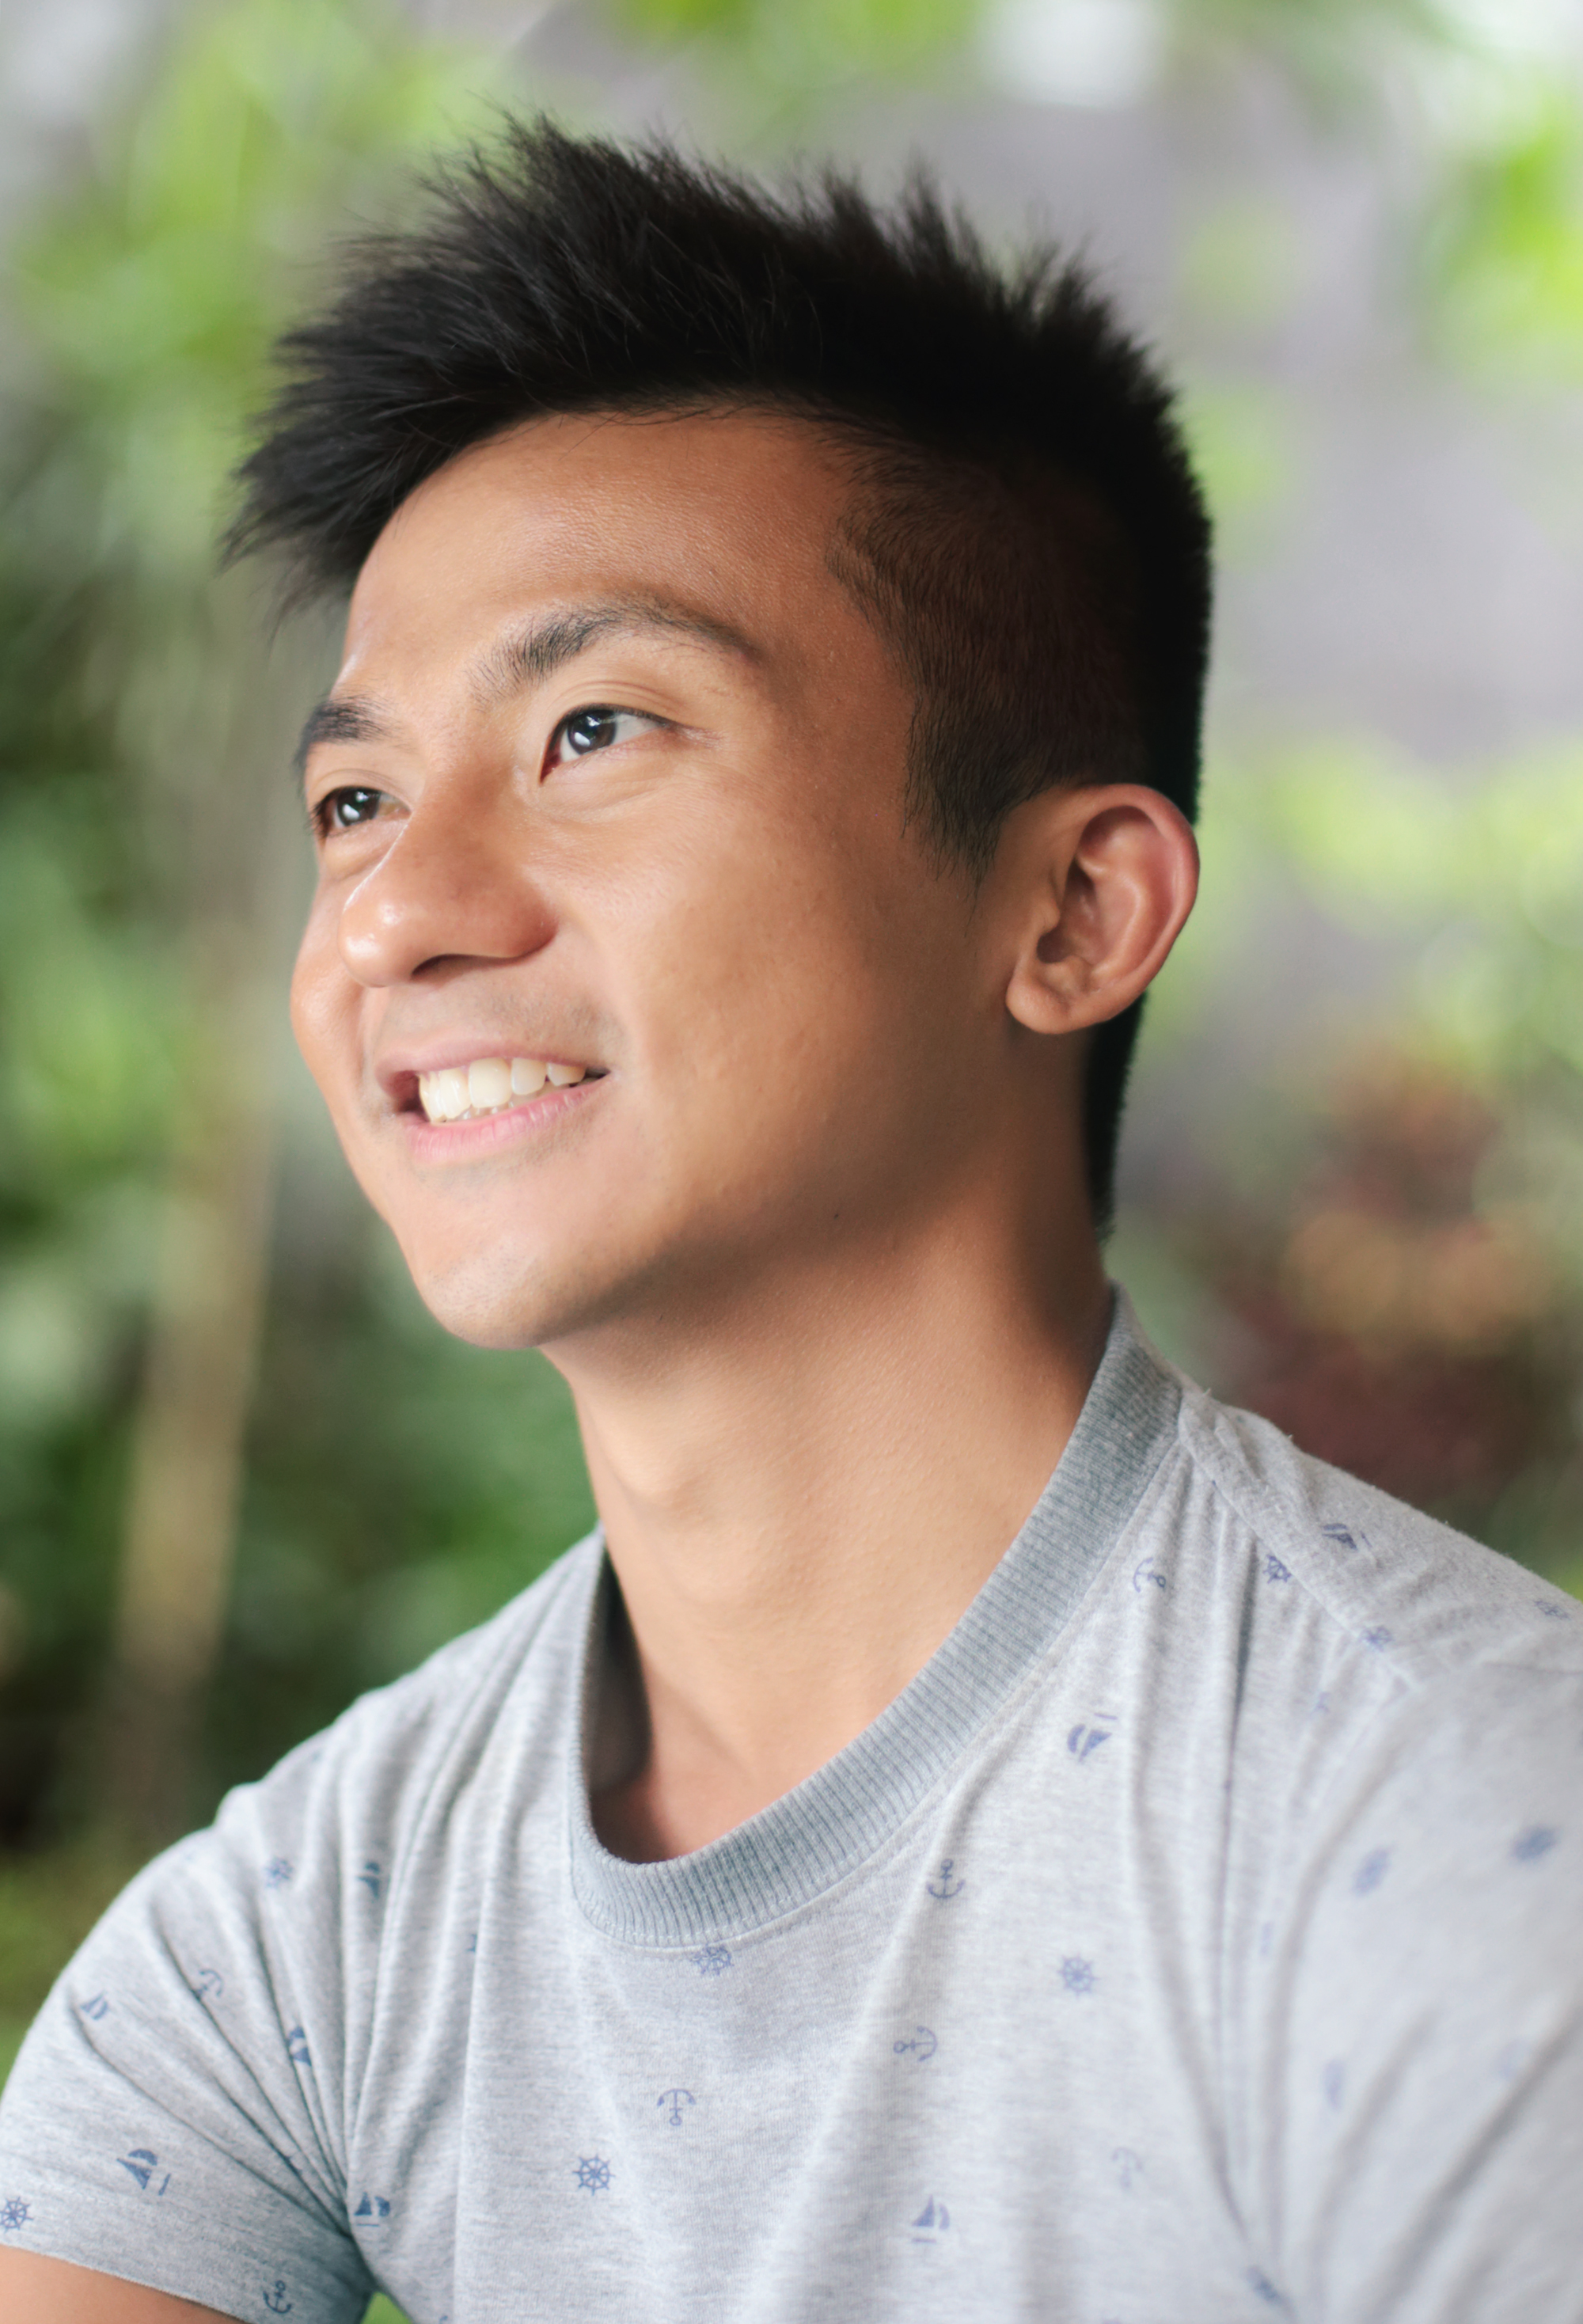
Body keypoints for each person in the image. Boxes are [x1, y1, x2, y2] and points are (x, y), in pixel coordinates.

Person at [1, 121, 1578, 2324]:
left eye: (596, 729)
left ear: (1070, 908)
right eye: (354, 801)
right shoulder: (300, 1934)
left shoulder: (1465, 1844)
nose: (400, 918)